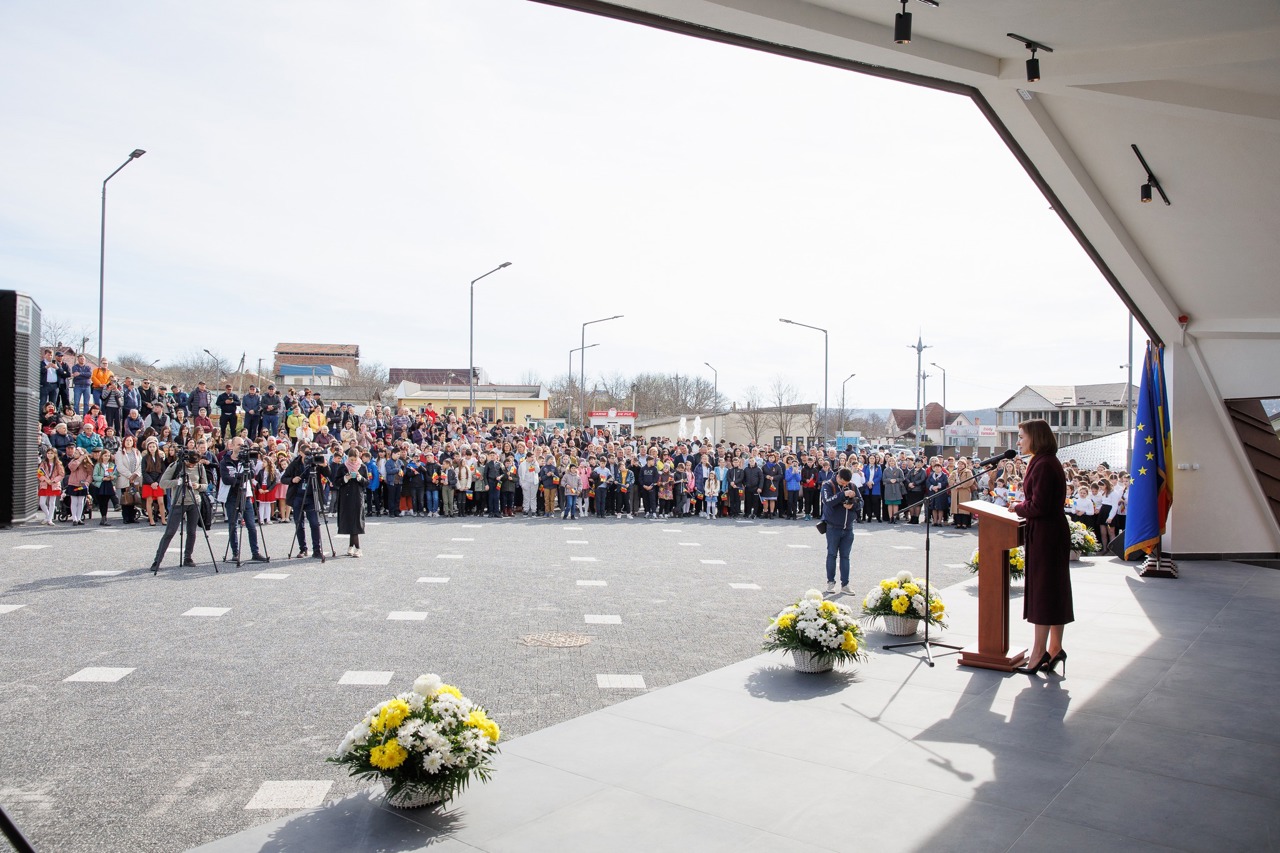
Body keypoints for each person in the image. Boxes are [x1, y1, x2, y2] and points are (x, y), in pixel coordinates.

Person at [1012, 419, 1073, 676]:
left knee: (1045, 593)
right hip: (1050, 532)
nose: (1018, 442)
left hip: (1047, 535)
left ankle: (1039, 653)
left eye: (1021, 437)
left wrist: (1016, 507)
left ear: (1035, 437)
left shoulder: (1044, 465)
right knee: (1053, 591)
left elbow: (1039, 506)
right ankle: (1055, 648)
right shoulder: (1044, 461)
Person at [150, 446, 209, 570]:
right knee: (170, 532)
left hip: (194, 501)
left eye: (195, 463)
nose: (192, 466)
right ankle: (157, 560)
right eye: (190, 464)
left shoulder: (199, 467)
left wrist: (198, 485)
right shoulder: (176, 465)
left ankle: (188, 557)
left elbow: (205, 485)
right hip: (178, 502)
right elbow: (163, 483)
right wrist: (178, 482)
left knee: (192, 532)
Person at [219, 438, 269, 564]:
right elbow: (226, 479)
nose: (241, 447)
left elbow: (251, 474)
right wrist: (240, 478)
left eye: (243, 444)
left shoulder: (246, 459)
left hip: (245, 495)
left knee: (251, 526)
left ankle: (255, 552)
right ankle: (235, 553)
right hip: (231, 496)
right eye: (239, 445)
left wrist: (237, 477)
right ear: (232, 446)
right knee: (233, 525)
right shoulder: (225, 460)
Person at [820, 466, 864, 594]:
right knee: (832, 554)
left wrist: (852, 505)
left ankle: (845, 584)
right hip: (833, 526)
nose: (845, 485)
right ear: (838, 476)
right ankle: (830, 583)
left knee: (845, 556)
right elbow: (827, 501)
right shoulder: (828, 485)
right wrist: (842, 494)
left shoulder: (853, 486)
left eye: (847, 484)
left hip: (849, 527)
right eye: (843, 483)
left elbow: (861, 502)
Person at [284, 444, 327, 558]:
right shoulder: (295, 463)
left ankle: (317, 549)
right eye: (307, 453)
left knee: (314, 523)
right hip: (298, 496)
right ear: (300, 453)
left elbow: (328, 474)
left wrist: (325, 465)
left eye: (310, 453)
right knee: (299, 524)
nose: (309, 456)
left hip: (312, 497)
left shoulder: (315, 463)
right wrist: (292, 480)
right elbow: (284, 478)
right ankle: (303, 549)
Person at [333, 447, 368, 557]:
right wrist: (345, 478)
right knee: (349, 522)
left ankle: (357, 547)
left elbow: (366, 482)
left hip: (358, 497)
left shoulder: (362, 467)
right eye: (351, 459)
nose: (353, 462)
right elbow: (336, 483)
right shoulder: (342, 467)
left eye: (355, 459)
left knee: (356, 522)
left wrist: (360, 478)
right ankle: (352, 546)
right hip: (345, 497)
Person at [37, 447, 64, 525]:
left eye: (51, 453)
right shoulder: (43, 463)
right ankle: (48, 515)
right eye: (48, 453)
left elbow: (61, 474)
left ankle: (49, 519)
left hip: (54, 484)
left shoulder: (58, 464)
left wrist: (54, 480)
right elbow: (39, 474)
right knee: (42, 503)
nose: (49, 455)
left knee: (52, 502)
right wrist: (46, 479)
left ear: (55, 454)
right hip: (45, 483)